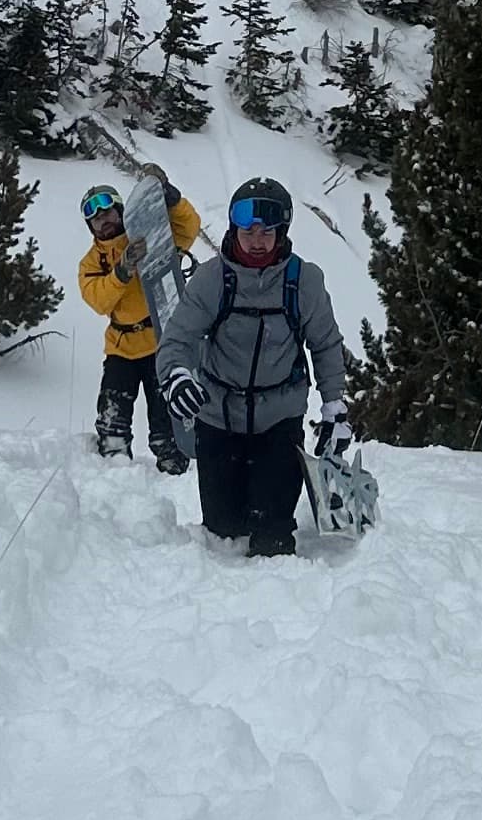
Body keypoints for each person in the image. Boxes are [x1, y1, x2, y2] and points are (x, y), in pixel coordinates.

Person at [155, 174, 350, 556]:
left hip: (279, 421)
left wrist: (334, 407)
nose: (256, 240)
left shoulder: (303, 281)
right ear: (234, 230)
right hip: (218, 420)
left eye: (266, 231)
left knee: (272, 537)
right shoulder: (213, 279)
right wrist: (176, 377)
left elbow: (326, 345)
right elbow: (176, 339)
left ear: (282, 231)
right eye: (248, 231)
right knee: (223, 534)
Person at [78, 175, 200, 468]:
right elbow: (98, 300)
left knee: (166, 424)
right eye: (94, 217)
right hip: (121, 348)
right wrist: (121, 271)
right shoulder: (91, 263)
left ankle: (174, 472)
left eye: (107, 211)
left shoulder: (152, 236)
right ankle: (114, 476)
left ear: (120, 211)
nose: (102, 219)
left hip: (160, 342)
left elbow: (189, 227)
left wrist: (169, 195)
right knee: (112, 422)